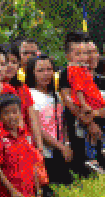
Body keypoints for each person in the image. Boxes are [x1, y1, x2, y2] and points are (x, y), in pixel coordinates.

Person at [58, 32, 105, 177]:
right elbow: (69, 101)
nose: (90, 56)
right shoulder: (67, 74)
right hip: (80, 137)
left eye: (94, 52)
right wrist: (89, 123)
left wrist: (95, 114)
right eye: (85, 53)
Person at [0, 93, 45, 197]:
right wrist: (13, 192)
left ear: (21, 114)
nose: (11, 116)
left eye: (14, 112)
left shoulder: (25, 138)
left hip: (29, 196)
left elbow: (33, 167)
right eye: (6, 113)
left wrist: (39, 193)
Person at [26, 55, 73, 189]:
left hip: (61, 152)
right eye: (40, 70)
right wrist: (61, 147)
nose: (46, 74)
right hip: (44, 153)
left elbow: (63, 122)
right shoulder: (31, 95)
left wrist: (67, 145)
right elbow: (37, 128)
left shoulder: (56, 95)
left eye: (49, 69)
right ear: (32, 73)